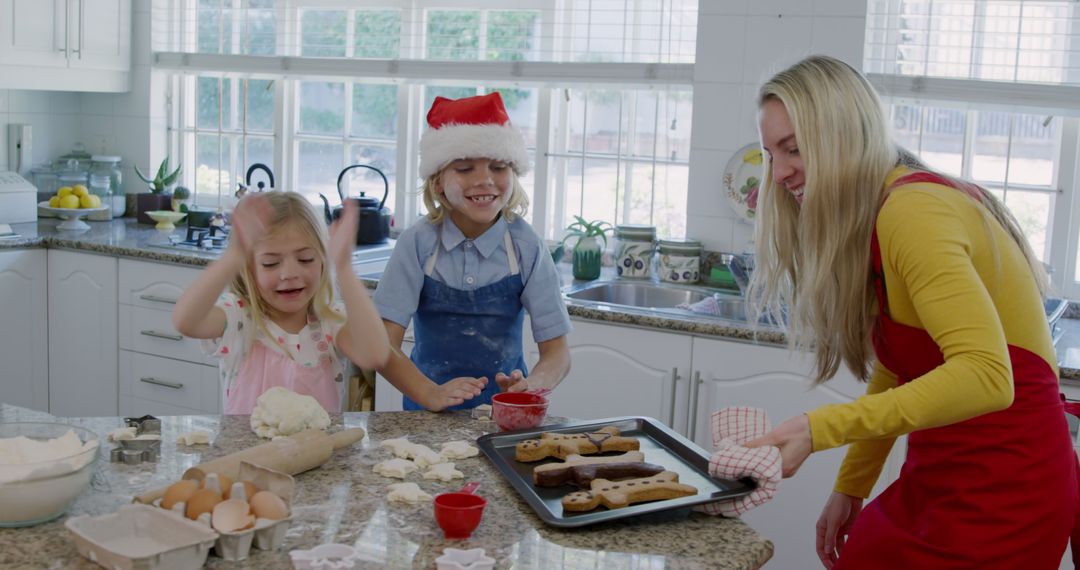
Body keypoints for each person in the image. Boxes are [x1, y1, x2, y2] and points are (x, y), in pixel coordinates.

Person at [742, 55, 1079, 569]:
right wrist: (852, 485)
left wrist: (817, 429)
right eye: (771, 154)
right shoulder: (883, 211)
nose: (780, 172)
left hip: (1009, 486)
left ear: (845, 137)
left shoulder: (913, 211)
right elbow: (904, 367)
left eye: (794, 149)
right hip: (942, 475)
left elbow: (988, 377)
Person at [374, 92, 572, 411]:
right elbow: (382, 345)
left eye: (498, 167)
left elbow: (558, 353)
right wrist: (429, 394)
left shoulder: (525, 245)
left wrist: (530, 388)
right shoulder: (418, 243)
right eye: (465, 168)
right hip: (425, 413)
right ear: (438, 182)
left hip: (504, 414)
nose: (484, 180)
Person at [172, 191, 390, 414]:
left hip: (317, 448)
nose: (289, 273)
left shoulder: (330, 321)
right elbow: (185, 321)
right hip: (246, 448)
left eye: (305, 259)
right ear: (249, 268)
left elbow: (374, 354)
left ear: (323, 260)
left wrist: (344, 268)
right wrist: (234, 255)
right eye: (270, 263)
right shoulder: (239, 317)